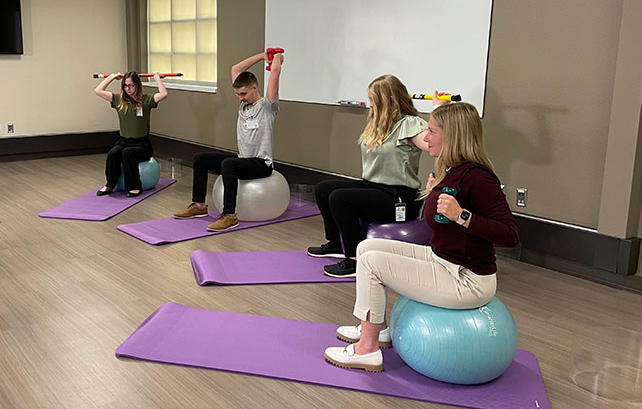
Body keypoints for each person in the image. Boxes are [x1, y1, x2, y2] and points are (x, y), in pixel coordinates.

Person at [324, 101, 518, 372]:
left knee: (370, 264)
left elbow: (510, 235)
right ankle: (376, 328)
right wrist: (434, 192)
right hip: (444, 259)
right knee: (367, 247)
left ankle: (366, 349)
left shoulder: (478, 177)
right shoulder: (453, 170)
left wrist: (463, 216)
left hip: (467, 280)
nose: (426, 138)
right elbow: (437, 223)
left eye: (432, 131)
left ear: (453, 136)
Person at [306, 76, 441, 278]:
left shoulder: (410, 124)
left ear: (387, 100)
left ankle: (354, 260)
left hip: (400, 197)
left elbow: (432, 144)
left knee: (340, 199)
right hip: (374, 187)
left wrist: (438, 112)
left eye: (373, 99)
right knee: (324, 189)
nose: (370, 104)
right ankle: (336, 244)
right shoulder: (379, 124)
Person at [173, 52, 283, 232]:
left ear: (255, 88)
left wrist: (277, 57)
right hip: (243, 159)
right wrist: (263, 56)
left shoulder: (267, 106)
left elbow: (276, 71)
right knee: (200, 158)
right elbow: (236, 69)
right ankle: (199, 206)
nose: (240, 97)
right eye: (238, 94)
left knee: (228, 164)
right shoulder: (243, 104)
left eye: (243, 93)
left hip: (261, 163)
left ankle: (230, 216)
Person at [94, 71, 168, 196]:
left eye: (131, 85)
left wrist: (157, 78)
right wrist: (112, 77)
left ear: (138, 85)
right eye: (125, 86)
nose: (128, 89)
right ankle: (109, 185)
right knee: (113, 154)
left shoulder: (146, 100)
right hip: (124, 142)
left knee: (127, 153)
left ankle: (135, 187)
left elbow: (164, 94)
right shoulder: (118, 100)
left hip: (142, 144)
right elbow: (98, 90)